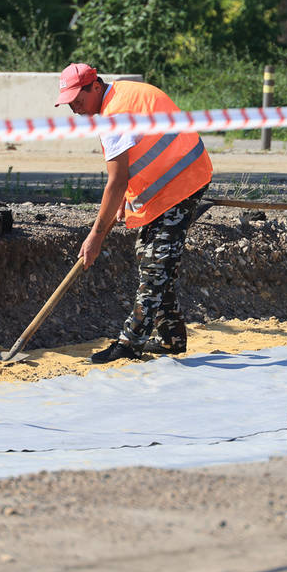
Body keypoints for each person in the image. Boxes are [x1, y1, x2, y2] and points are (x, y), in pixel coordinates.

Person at [54, 63, 213, 363]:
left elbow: (116, 180)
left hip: (182, 181)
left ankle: (129, 343)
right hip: (172, 179)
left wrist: (95, 237)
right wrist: (128, 201)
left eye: (78, 99)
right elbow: (137, 158)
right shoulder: (121, 95)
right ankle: (171, 338)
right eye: (69, 102)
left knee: (156, 263)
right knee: (151, 255)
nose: (74, 107)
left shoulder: (114, 115)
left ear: (95, 87)